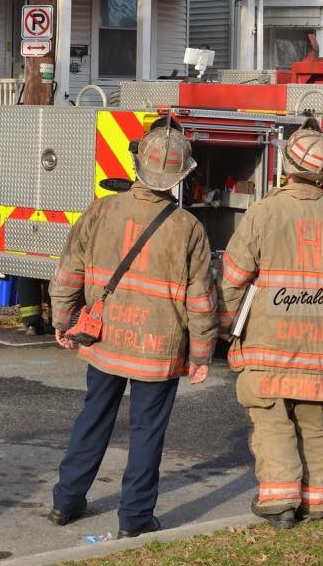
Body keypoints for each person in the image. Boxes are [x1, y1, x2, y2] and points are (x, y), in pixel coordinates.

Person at [49, 126, 218, 538]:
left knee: (93, 417)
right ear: (181, 176)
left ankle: (66, 502)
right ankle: (135, 518)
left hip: (104, 339)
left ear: (137, 164)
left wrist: (63, 320)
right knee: (147, 432)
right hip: (158, 349)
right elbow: (200, 300)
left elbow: (69, 271)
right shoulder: (189, 228)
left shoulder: (101, 210)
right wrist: (200, 353)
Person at [218, 124, 323, 529]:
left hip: (267, 342)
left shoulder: (263, 212)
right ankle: (316, 501)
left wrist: (229, 323)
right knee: (312, 421)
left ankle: (280, 503)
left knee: (270, 418)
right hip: (322, 346)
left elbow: (233, 276)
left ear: (287, 167)